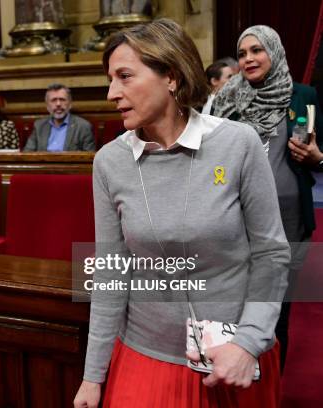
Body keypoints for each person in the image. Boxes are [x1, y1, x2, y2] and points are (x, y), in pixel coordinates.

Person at [74, 19, 290, 407]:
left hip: (232, 356)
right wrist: (93, 376)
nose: (111, 93)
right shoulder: (109, 162)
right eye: (110, 79)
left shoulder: (238, 144)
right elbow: (110, 269)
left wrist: (248, 341)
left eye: (125, 76)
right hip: (146, 357)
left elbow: (271, 254)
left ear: (170, 76)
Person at [212, 25, 323, 372]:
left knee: (276, 311)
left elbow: (322, 152)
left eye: (257, 50)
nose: (248, 59)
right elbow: (210, 158)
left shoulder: (303, 95)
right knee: (233, 306)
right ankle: (235, 379)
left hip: (289, 222)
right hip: (235, 221)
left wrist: (317, 158)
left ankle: (269, 385)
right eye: (242, 53)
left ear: (273, 52)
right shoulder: (226, 101)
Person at [23, 83, 96, 152]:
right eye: (53, 100)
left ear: (70, 104)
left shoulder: (83, 126)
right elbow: (27, 153)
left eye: (62, 99)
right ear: (47, 105)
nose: (58, 104)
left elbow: (89, 157)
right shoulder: (39, 125)